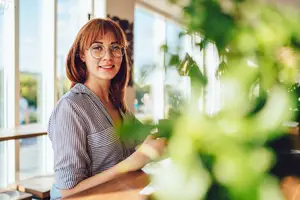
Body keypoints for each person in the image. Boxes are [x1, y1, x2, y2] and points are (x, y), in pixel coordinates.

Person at [48, 18, 166, 199]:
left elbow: (146, 138)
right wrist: (132, 162)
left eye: (115, 47)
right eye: (97, 48)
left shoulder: (119, 105)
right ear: (82, 55)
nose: (108, 56)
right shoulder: (70, 107)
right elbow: (67, 190)